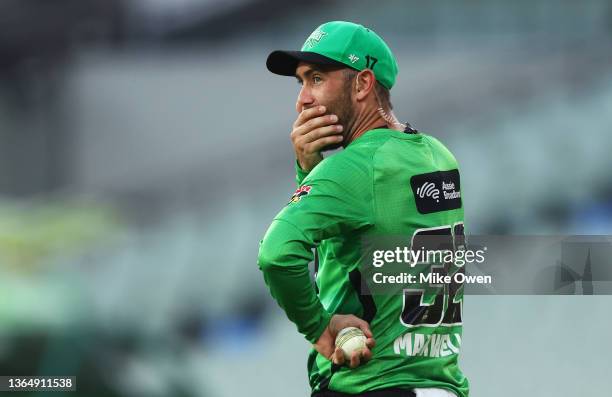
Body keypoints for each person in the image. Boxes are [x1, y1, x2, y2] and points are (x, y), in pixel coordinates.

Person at [258, 21, 468, 397]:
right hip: (438, 383)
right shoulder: (437, 154)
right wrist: (310, 170)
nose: (303, 99)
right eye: (301, 82)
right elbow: (357, 246)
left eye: (317, 78)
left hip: (371, 384)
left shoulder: (353, 168)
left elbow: (277, 255)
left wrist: (320, 330)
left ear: (362, 84)